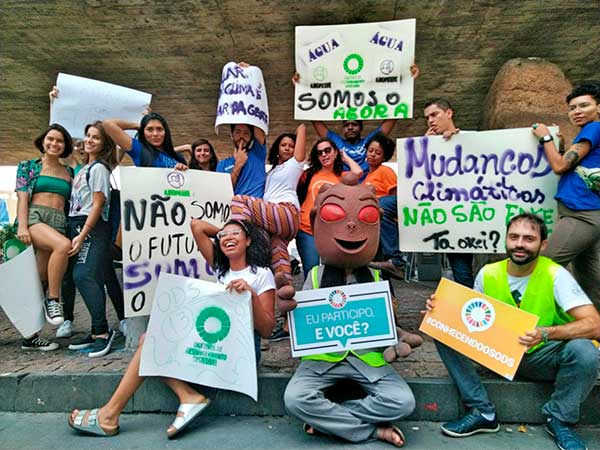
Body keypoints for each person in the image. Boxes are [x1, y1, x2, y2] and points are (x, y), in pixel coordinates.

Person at [68, 219, 275, 438]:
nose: (228, 238)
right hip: (214, 343)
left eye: (236, 234)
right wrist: (229, 233)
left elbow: (267, 329)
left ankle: (110, 414)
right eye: (223, 235)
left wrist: (250, 295)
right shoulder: (220, 269)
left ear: (249, 240)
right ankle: (186, 396)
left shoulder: (261, 274)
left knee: (150, 342)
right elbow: (197, 226)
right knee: (149, 339)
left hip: (242, 352)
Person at [425, 213, 600, 450]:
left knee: (585, 350)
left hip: (542, 356)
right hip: (496, 355)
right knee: (440, 322)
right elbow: (472, 319)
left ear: (543, 244)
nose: (519, 244)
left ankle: (559, 418)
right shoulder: (488, 273)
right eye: (514, 237)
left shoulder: (555, 274)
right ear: (505, 240)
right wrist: (442, 308)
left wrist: (546, 333)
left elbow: (594, 324)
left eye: (529, 238)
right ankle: (482, 411)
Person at [281, 176, 416, 448]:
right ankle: (371, 431)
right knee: (295, 398)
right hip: (323, 360)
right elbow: (301, 324)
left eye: (364, 216)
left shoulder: (378, 278)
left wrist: (398, 337)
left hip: (369, 360)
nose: (351, 225)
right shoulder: (315, 275)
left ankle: (328, 421)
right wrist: (288, 315)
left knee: (403, 401)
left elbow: (386, 325)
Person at [230, 125, 306, 343]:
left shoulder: (295, 164)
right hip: (276, 226)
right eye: (284, 145)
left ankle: (242, 244)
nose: (288, 148)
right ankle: (287, 324)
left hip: (285, 212)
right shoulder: (271, 171)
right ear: (277, 149)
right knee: (281, 270)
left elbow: (301, 130)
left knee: (238, 201)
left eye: (291, 145)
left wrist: (300, 115)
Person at [532, 83, 600, 308]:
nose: (577, 111)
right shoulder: (590, 133)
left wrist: (545, 139)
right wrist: (560, 147)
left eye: (584, 105)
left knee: (543, 268)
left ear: (598, 107)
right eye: (572, 108)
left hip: (581, 214)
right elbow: (574, 165)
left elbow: (560, 166)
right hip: (589, 212)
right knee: (589, 282)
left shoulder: (593, 128)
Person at [60, 121, 121, 357]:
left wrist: (83, 234)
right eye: (88, 135)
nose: (90, 139)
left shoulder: (99, 169)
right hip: (79, 225)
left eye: (96, 137)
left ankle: (103, 334)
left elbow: (98, 204)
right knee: (88, 276)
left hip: (92, 227)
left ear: (105, 143)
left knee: (83, 275)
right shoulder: (85, 168)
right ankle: (97, 329)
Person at [15, 123, 74, 350]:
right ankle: (54, 300)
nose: (54, 143)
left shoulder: (69, 171)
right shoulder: (28, 167)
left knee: (37, 280)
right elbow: (22, 198)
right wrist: (22, 226)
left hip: (58, 221)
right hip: (34, 219)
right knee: (63, 246)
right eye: (50, 139)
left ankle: (31, 337)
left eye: (59, 141)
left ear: (65, 146)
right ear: (43, 141)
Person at [296, 138, 363, 278]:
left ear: (335, 153)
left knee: (333, 274)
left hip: (332, 233)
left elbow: (358, 172)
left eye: (327, 150)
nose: (324, 155)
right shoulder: (308, 174)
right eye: (320, 153)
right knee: (311, 272)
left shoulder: (341, 177)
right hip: (307, 229)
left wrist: (346, 158)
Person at [103, 113, 187, 169]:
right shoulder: (139, 149)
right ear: (143, 132)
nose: (155, 134)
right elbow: (108, 124)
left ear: (166, 132)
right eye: (150, 129)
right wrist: (137, 126)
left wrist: (183, 169)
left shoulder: (178, 157)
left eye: (159, 129)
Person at [216, 123, 267, 198]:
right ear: (232, 135)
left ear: (251, 137)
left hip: (255, 205)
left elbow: (257, 122)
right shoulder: (222, 164)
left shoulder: (258, 153)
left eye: (246, 133)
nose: (242, 136)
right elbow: (222, 192)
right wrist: (237, 165)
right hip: (235, 206)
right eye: (237, 132)